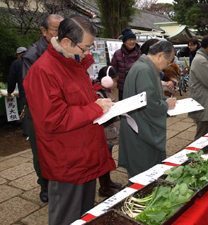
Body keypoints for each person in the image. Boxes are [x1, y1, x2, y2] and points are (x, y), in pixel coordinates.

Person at [23, 15, 116, 225]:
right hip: (66, 159)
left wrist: (98, 100)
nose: (88, 53)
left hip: (84, 152)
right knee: (67, 216)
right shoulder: (43, 71)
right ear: (66, 42)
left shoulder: (73, 63)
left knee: (84, 214)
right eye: (85, 47)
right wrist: (94, 108)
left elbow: (77, 99)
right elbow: (53, 118)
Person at [118, 41, 177, 178]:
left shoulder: (143, 66)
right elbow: (149, 103)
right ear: (160, 55)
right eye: (168, 62)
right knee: (144, 172)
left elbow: (149, 95)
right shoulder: (144, 69)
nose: (167, 66)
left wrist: (163, 100)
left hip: (137, 124)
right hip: (141, 128)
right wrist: (166, 105)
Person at [21, 14, 64, 203]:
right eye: (56, 30)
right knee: (40, 153)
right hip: (39, 113)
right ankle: (44, 184)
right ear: (44, 31)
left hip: (60, 109)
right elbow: (32, 91)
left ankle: (58, 181)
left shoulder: (64, 50)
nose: (60, 34)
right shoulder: (32, 56)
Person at [93, 66, 122, 197]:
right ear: (106, 81)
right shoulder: (98, 94)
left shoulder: (107, 91)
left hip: (109, 131)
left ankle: (108, 181)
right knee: (104, 159)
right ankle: (104, 188)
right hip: (103, 132)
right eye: (115, 81)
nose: (116, 84)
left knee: (108, 157)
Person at [110, 28, 141, 100]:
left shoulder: (140, 53)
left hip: (136, 86)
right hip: (122, 87)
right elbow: (112, 69)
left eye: (134, 39)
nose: (132, 42)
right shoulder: (118, 53)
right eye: (129, 39)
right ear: (124, 41)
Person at [7, 47, 27, 136]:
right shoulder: (34, 59)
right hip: (36, 90)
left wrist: (9, 91)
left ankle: (27, 132)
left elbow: (11, 78)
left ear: (18, 54)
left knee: (25, 111)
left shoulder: (16, 63)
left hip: (23, 91)